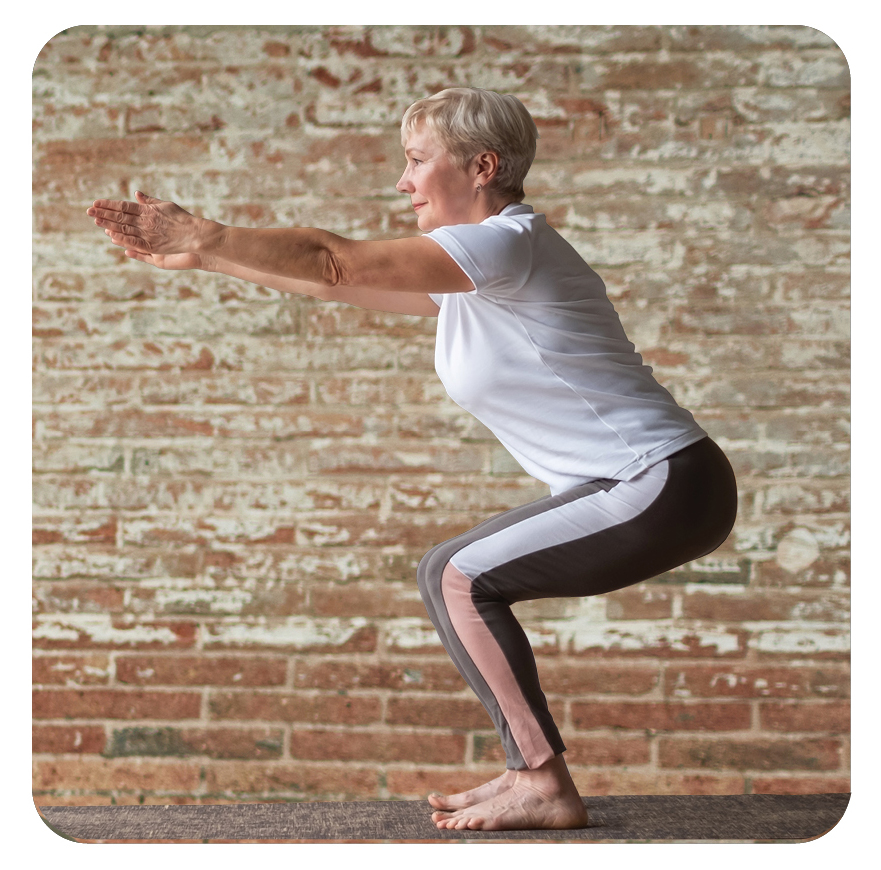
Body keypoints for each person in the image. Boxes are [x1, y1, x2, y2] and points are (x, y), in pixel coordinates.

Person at [87, 87, 737, 832]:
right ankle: (529, 773)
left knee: (456, 575)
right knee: (453, 575)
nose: (402, 181)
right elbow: (337, 283)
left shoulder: (503, 243)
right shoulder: (477, 271)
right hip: (650, 484)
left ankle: (541, 782)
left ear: (482, 166)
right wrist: (208, 259)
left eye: (416, 160)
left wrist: (210, 231)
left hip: (662, 481)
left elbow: (335, 259)